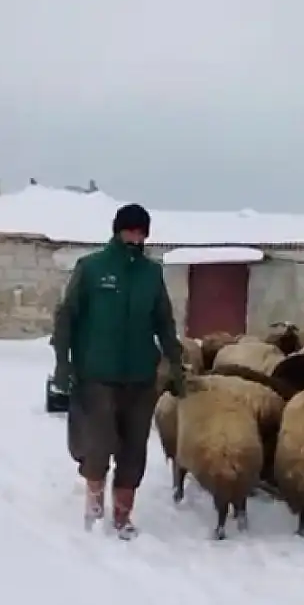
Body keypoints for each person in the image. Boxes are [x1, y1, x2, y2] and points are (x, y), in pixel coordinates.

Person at [52, 203, 185, 540]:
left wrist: (175, 363)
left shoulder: (151, 274)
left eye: (141, 232)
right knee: (98, 444)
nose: (135, 237)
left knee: (133, 449)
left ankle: (123, 516)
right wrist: (63, 363)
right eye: (130, 230)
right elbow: (67, 316)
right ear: (117, 230)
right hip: (96, 371)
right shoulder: (93, 268)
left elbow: (164, 323)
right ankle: (94, 506)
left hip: (140, 375)